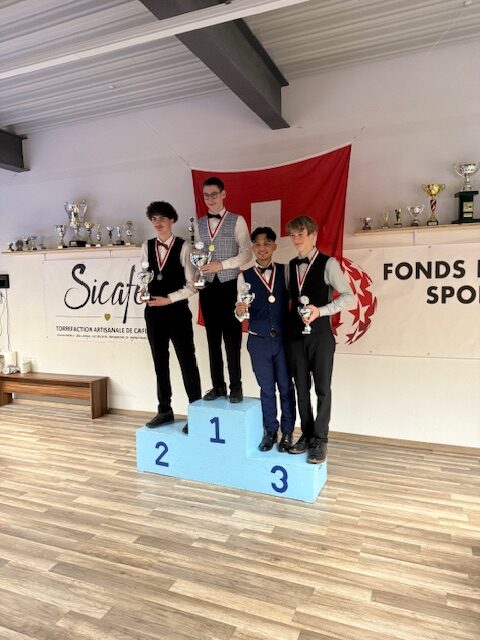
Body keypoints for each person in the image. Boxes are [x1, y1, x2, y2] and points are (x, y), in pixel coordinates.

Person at [285, 215, 355, 463]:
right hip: (296, 337)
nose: (296, 239)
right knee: (301, 388)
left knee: (323, 389)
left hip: (321, 336)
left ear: (313, 235)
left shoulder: (328, 263)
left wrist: (321, 311)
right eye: (293, 235)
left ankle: (321, 439)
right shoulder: (290, 266)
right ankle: (306, 434)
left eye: (301, 234)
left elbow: (349, 297)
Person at [141, 201, 201, 431]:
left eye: (162, 218)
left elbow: (192, 285)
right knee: (160, 362)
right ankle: (164, 410)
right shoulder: (146, 246)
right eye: (154, 219)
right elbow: (144, 277)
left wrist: (169, 299)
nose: (157, 223)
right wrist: (142, 292)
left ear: (172, 221)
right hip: (153, 314)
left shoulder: (184, 247)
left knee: (187, 362)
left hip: (177, 313)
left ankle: (195, 412)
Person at [235, 227, 295, 452]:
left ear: (274, 246)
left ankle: (288, 431)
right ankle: (270, 430)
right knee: (266, 389)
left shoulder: (286, 271)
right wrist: (239, 310)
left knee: (286, 387)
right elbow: (241, 309)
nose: (262, 248)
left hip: (283, 340)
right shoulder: (244, 276)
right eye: (257, 244)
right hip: (258, 340)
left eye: (267, 243)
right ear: (252, 248)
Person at [195, 177, 252, 403]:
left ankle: (236, 386)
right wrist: (199, 271)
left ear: (223, 194)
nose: (210, 199)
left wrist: (222, 265)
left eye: (214, 194)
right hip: (208, 287)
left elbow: (247, 253)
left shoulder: (237, 220)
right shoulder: (199, 224)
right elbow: (199, 254)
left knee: (232, 339)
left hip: (230, 284)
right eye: (206, 195)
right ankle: (218, 386)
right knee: (212, 340)